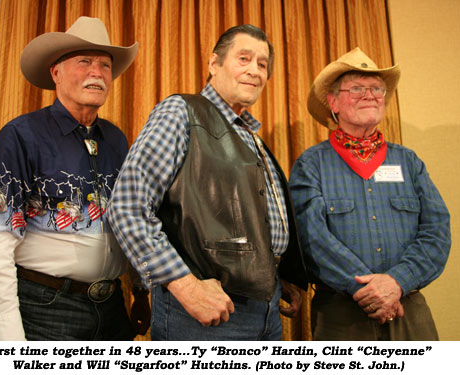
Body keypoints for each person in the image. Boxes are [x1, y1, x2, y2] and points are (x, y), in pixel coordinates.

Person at [107, 24, 308, 340]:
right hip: (204, 313)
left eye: (263, 64)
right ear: (214, 64)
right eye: (244, 58)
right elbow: (127, 208)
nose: (255, 71)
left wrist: (279, 275)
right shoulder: (181, 112)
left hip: (265, 307)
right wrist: (186, 287)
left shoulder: (250, 136)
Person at [0, 16, 150, 341]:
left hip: (112, 306)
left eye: (105, 65)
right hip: (46, 310)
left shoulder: (116, 139)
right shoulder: (21, 136)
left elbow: (131, 218)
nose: (97, 72)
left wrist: (140, 291)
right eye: (84, 62)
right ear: (56, 72)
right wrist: (12, 342)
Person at [289, 47, 451, 340]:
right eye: (357, 88)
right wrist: (370, 290)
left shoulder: (409, 162)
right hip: (340, 314)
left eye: (377, 88)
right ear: (333, 102)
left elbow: (437, 231)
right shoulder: (311, 164)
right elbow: (310, 238)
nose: (370, 95)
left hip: (408, 307)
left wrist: (397, 283)